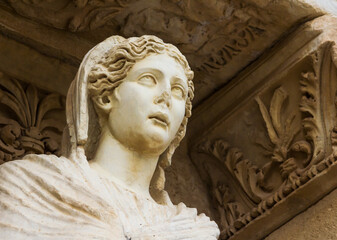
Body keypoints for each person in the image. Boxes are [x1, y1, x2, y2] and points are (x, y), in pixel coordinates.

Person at [0, 35, 219, 239]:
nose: (166, 97)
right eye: (148, 79)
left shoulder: (195, 231)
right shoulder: (28, 187)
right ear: (105, 96)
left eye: (178, 90)